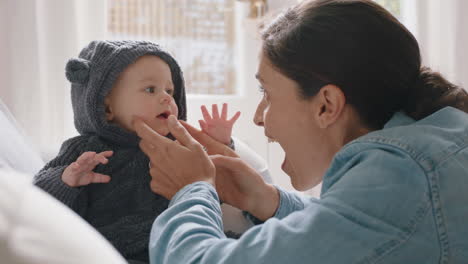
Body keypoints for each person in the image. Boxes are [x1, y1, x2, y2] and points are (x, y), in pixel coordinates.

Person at [133, 0, 468, 263]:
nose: (259, 118)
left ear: (326, 105)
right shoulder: (434, 144)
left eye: (267, 93)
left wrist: (191, 189)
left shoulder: (402, 175)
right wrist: (266, 199)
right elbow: (362, 232)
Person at [32, 40, 242, 263]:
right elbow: (37, 200)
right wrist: (67, 179)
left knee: (241, 249)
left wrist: (220, 146)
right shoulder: (84, 151)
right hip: (117, 250)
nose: (166, 98)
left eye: (170, 90)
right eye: (150, 89)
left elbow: (207, 192)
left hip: (180, 243)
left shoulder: (178, 150)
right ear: (107, 107)